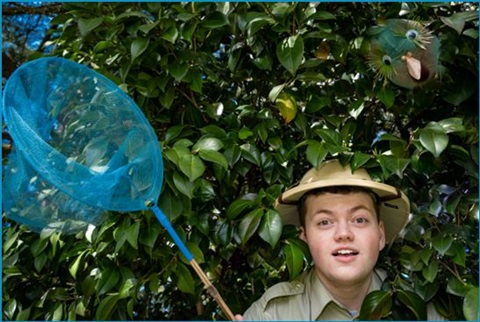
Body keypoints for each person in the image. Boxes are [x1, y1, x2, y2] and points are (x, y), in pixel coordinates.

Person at [235, 159, 444, 320]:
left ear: (380, 235)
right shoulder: (272, 315)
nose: (344, 233)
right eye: (325, 222)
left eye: (360, 219)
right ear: (305, 238)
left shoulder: (420, 306)